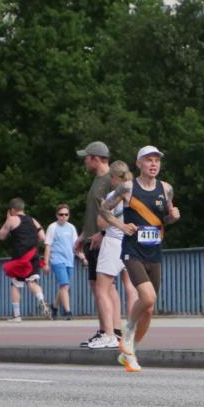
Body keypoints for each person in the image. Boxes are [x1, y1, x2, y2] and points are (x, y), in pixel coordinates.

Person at [113, 145, 180, 368]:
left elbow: (165, 218)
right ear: (139, 163)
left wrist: (173, 217)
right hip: (132, 250)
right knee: (148, 297)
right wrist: (121, 226)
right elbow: (104, 209)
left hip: (154, 252)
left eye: (157, 160)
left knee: (149, 309)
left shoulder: (166, 189)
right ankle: (128, 331)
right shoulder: (127, 188)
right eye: (149, 160)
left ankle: (130, 351)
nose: (153, 164)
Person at [89, 161, 138, 353]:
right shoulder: (136, 192)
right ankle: (129, 332)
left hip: (114, 242)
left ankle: (109, 334)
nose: (110, 180)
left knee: (102, 289)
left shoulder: (114, 195)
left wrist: (103, 207)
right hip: (132, 244)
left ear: (116, 178)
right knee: (131, 288)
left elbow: (102, 223)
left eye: (111, 177)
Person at [75, 141, 112, 347]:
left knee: (105, 288)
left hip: (103, 241)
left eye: (86, 158)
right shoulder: (97, 180)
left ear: (96, 159)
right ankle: (103, 330)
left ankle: (111, 332)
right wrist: (83, 234)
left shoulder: (110, 180)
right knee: (96, 287)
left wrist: (103, 233)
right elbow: (94, 212)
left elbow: (118, 211)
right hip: (91, 240)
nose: (85, 162)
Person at [0, 198, 51, 322]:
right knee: (32, 282)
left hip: (20, 256)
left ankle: (17, 315)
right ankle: (41, 300)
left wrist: (7, 220)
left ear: (12, 210)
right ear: (23, 208)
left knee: (15, 284)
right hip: (33, 254)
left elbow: (1, 236)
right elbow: (43, 237)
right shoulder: (33, 220)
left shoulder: (12, 219)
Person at [43, 203, 78, 320]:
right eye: (61, 214)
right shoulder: (52, 227)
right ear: (57, 215)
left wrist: (82, 256)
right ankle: (68, 312)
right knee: (65, 285)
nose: (63, 217)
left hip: (69, 260)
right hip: (57, 260)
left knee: (64, 287)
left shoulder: (71, 228)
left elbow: (75, 245)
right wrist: (46, 263)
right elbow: (48, 246)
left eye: (66, 214)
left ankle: (54, 306)